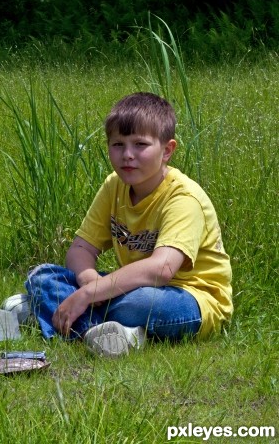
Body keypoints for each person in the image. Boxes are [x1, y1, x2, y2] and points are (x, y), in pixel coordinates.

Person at [23, 92, 233, 357]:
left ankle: (50, 312)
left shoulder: (184, 197)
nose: (127, 155)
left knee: (139, 303)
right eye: (118, 144)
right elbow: (80, 250)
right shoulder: (115, 185)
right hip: (129, 287)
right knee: (42, 276)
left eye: (140, 144)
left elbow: (162, 269)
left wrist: (90, 293)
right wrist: (90, 282)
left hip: (190, 299)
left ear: (167, 150)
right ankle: (115, 335)